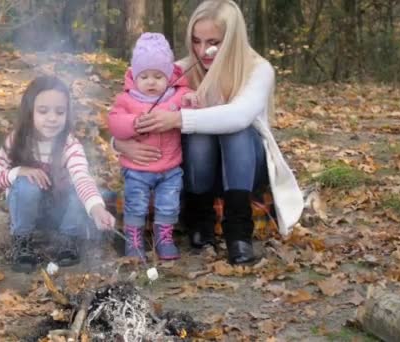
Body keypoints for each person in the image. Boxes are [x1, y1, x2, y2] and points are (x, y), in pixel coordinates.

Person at [113, 0, 304, 265]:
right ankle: (200, 224)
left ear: (232, 40)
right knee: (199, 134)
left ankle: (238, 233)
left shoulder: (258, 69)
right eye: (196, 41)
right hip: (195, 170)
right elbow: (130, 113)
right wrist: (119, 144)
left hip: (245, 169)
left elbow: (239, 115)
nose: (203, 51)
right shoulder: (178, 71)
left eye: (213, 42)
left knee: (235, 131)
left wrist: (177, 118)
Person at [0, 76, 115, 272]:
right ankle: (22, 241)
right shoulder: (17, 141)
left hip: (58, 210)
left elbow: (82, 177)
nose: (52, 118)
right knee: (27, 184)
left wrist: (97, 208)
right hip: (27, 210)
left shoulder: (69, 145)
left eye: (60, 112)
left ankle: (68, 239)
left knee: (82, 192)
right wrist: (18, 172)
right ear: (29, 111)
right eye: (43, 111)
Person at [108, 33, 196, 261]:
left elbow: (192, 106)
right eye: (144, 76)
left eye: (158, 76)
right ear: (134, 77)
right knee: (135, 204)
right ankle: (133, 240)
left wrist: (191, 102)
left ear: (168, 76)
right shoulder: (126, 100)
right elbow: (114, 123)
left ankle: (163, 238)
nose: (151, 82)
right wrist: (133, 124)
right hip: (137, 169)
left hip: (170, 168)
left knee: (168, 204)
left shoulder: (177, 96)